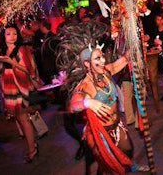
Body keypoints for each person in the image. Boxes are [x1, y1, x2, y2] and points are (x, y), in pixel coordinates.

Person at [56, 20, 148, 174]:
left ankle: (132, 166)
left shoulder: (105, 72)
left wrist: (135, 45)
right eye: (97, 59)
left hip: (116, 126)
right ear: (87, 64)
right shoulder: (86, 84)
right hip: (100, 134)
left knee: (128, 149)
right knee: (108, 165)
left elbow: (123, 61)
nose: (103, 60)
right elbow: (73, 104)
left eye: (102, 56)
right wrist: (88, 101)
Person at [0, 24, 41, 163]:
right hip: (9, 88)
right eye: (9, 34)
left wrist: (12, 62)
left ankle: (32, 149)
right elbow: (0, 69)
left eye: (15, 34)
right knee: (21, 119)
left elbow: (29, 70)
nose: (12, 36)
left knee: (23, 119)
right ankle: (32, 145)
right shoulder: (2, 50)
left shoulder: (21, 49)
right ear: (3, 36)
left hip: (21, 87)